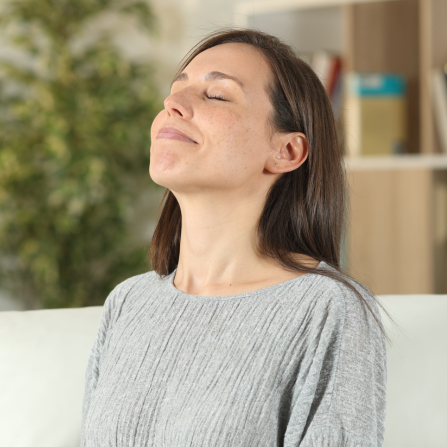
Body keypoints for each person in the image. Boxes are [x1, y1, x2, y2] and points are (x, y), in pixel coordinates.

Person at [81, 28, 392, 447]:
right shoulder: (129, 303)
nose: (172, 105)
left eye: (216, 95)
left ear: (286, 151)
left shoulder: (326, 310)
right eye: (175, 91)